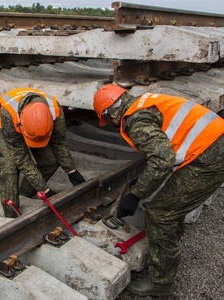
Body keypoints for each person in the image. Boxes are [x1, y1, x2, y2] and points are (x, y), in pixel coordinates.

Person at [93, 84, 224, 297]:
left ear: (111, 113)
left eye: (107, 120)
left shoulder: (136, 120)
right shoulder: (145, 102)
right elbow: (166, 146)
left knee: (159, 215)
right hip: (213, 145)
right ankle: (168, 247)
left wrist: (135, 196)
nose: (111, 124)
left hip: (209, 158)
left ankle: (160, 282)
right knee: (172, 204)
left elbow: (163, 160)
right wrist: (141, 182)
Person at [0, 87, 86, 218]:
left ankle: (26, 192)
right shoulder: (8, 113)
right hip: (1, 126)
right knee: (9, 165)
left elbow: (59, 142)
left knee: (50, 161)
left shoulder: (55, 111)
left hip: (28, 125)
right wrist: (44, 189)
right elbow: (21, 157)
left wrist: (72, 171)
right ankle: (11, 212)